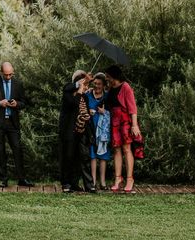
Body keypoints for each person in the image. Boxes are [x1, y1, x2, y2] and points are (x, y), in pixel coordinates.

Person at [0, 62, 34, 188]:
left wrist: (16, 104)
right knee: (0, 151)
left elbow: (24, 103)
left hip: (12, 122)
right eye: (6, 75)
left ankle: (22, 179)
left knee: (17, 149)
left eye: (11, 74)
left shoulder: (18, 84)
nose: (8, 77)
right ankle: (3, 179)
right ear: (1, 72)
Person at [104, 64, 140, 194]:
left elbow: (132, 107)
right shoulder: (110, 89)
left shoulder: (125, 87)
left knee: (126, 149)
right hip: (114, 121)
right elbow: (109, 105)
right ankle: (118, 179)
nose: (106, 78)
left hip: (124, 121)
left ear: (114, 76)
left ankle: (130, 179)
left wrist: (134, 125)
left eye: (108, 76)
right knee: (116, 150)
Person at [59, 70, 96, 194]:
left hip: (82, 131)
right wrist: (80, 88)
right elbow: (74, 104)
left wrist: (88, 114)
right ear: (79, 83)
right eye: (85, 84)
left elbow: (82, 109)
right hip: (70, 131)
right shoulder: (68, 93)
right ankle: (66, 183)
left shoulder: (84, 96)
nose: (87, 87)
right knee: (68, 157)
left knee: (83, 158)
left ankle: (83, 184)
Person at [86, 73, 111, 190]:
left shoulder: (107, 97)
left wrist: (104, 112)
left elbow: (113, 113)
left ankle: (103, 182)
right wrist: (88, 111)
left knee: (103, 155)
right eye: (95, 83)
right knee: (92, 155)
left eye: (99, 84)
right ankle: (93, 182)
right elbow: (80, 108)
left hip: (103, 132)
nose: (97, 86)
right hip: (91, 129)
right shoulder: (88, 95)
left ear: (104, 85)